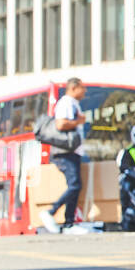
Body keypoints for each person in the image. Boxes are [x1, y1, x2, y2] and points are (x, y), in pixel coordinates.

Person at [39, 78, 86, 233]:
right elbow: (60, 124)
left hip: (71, 151)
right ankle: (51, 212)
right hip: (65, 152)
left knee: (75, 186)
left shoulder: (72, 103)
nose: (84, 91)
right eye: (82, 88)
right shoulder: (66, 103)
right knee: (75, 185)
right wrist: (79, 121)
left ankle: (69, 223)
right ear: (74, 88)